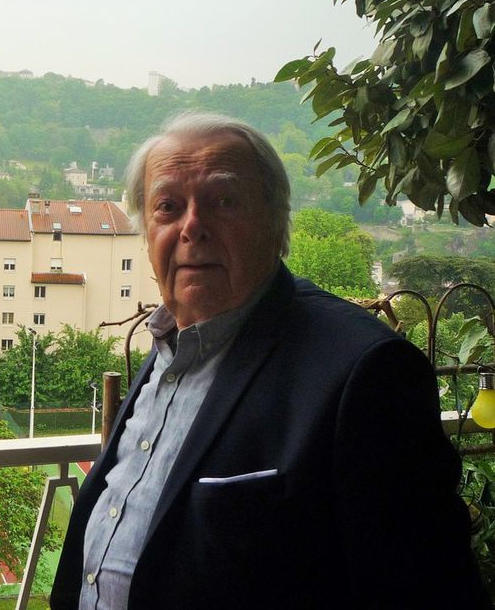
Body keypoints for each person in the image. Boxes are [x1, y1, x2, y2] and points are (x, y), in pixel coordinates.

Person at [50, 112, 489, 609]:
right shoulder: (172, 344)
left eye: (224, 202)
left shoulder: (365, 373)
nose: (193, 226)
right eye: (168, 207)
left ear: (275, 222)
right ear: (147, 232)